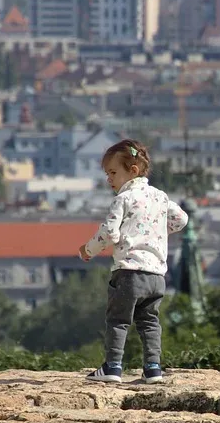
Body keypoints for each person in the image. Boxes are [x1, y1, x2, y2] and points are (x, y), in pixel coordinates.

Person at [79, 139, 188, 384]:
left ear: (133, 171)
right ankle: (152, 369)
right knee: (150, 322)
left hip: (128, 273)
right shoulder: (160, 197)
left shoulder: (124, 199)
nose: (109, 179)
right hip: (157, 276)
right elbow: (181, 220)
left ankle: (113, 367)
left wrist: (87, 250)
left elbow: (109, 233)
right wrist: (157, 231)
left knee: (118, 320)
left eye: (113, 173)